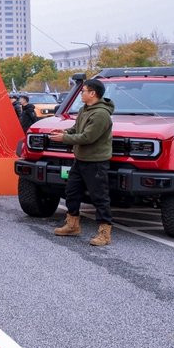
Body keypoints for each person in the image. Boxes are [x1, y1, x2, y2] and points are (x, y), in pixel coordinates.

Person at [49, 79, 115, 246]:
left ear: (92, 93)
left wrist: (64, 138)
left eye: (83, 91)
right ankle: (72, 225)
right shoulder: (84, 109)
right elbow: (77, 129)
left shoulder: (101, 114)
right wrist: (64, 131)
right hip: (80, 160)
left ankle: (105, 233)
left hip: (96, 162)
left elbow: (87, 137)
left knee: (99, 197)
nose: (81, 93)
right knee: (71, 192)